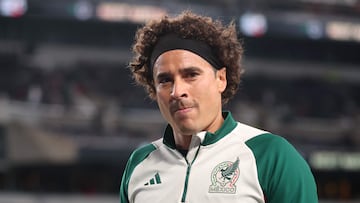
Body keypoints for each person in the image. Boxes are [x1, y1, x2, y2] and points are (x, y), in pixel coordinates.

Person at [120, 11, 318, 203]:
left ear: (221, 79)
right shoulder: (139, 163)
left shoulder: (271, 156)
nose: (177, 91)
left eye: (191, 75)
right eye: (165, 80)